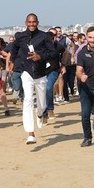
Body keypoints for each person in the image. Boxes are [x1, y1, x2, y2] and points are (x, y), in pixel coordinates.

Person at [9, 13, 57, 145]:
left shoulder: (44, 36)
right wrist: (17, 63)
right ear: (25, 23)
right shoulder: (19, 36)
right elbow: (13, 51)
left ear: (37, 22)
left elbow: (53, 53)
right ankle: (30, 133)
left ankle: (41, 114)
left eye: (34, 22)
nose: (31, 24)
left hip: (41, 73)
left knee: (41, 104)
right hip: (26, 72)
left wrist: (40, 56)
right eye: (29, 22)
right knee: (28, 99)